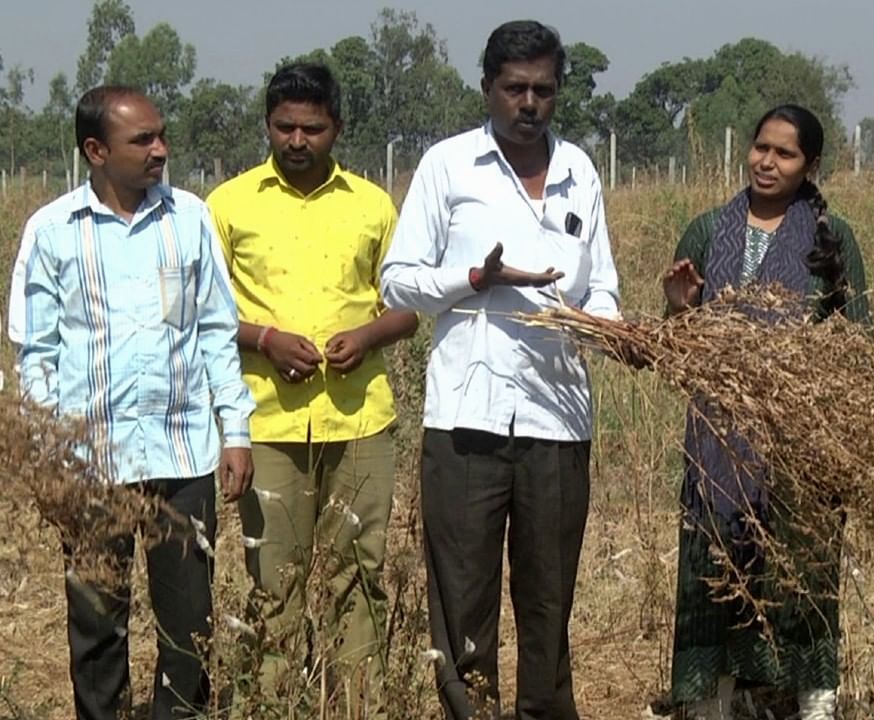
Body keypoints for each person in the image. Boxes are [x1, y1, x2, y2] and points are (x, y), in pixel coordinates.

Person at [379, 20, 620, 720]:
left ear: (558, 92)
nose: (529, 103)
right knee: (462, 598)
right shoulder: (448, 167)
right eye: (514, 88)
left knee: (549, 598)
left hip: (557, 416)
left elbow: (600, 282)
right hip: (466, 419)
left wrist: (599, 322)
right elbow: (398, 282)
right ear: (486, 88)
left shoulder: (580, 170)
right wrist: (473, 278)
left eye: (543, 89)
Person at [9, 86, 254, 720]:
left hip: (184, 454)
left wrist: (236, 431)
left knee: (188, 628)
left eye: (161, 135)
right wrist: (48, 458)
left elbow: (214, 331)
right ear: (95, 150)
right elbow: (36, 353)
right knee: (97, 627)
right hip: (90, 466)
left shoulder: (189, 219)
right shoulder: (54, 232)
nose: (161, 150)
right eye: (142, 140)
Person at [206, 62, 417, 708]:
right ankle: (268, 704)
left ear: (338, 129)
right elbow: (201, 309)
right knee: (274, 583)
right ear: (267, 125)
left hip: (358, 423)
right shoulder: (228, 205)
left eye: (313, 129)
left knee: (360, 575)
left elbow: (408, 305)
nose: (297, 141)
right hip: (264, 423)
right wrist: (264, 340)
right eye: (284, 127)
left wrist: (367, 337)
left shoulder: (372, 204)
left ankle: (357, 703)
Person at [661, 104, 870, 720]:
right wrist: (680, 308)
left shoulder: (834, 238)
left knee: (802, 569)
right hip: (718, 443)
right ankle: (708, 702)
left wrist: (809, 404)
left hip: (800, 439)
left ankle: (813, 700)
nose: (767, 162)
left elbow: (855, 342)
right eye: (760, 148)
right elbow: (677, 349)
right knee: (712, 563)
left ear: (811, 166)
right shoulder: (705, 231)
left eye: (785, 153)